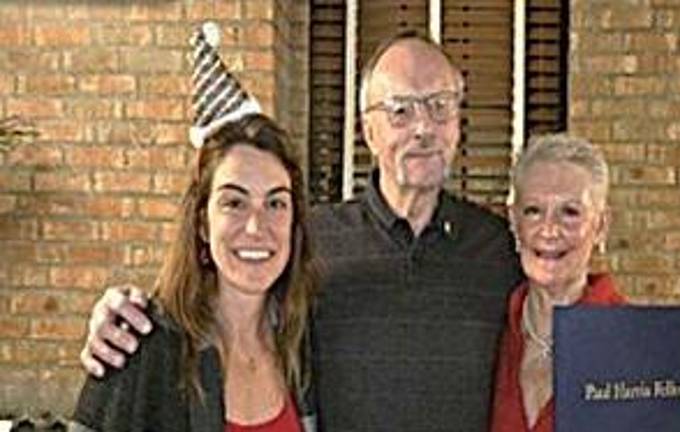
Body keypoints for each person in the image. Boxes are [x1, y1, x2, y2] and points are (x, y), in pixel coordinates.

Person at [79, 32, 522, 432]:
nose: (423, 127)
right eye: (400, 111)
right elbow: (209, 299)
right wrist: (121, 317)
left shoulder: (502, 248)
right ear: (368, 131)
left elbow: (549, 330)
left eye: (440, 105)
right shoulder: (313, 243)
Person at [71, 114, 317, 432]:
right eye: (234, 203)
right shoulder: (140, 344)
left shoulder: (306, 345)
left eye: (275, 204)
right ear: (202, 224)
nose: (256, 227)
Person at [490, 134, 680, 432]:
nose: (549, 230)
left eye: (570, 212)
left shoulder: (648, 349)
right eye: (533, 211)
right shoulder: (484, 329)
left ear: (601, 227)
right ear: (513, 222)